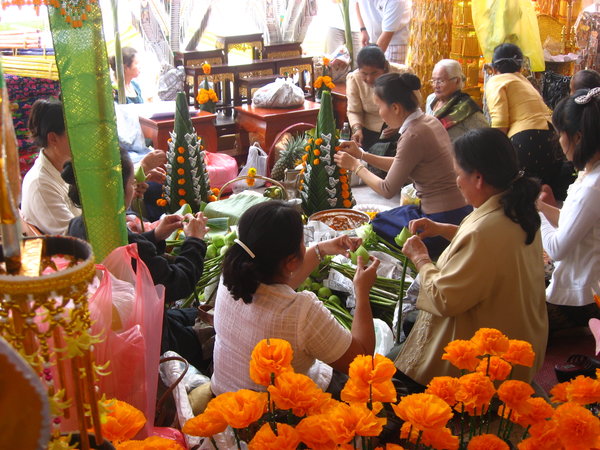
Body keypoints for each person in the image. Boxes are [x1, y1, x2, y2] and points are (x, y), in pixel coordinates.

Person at [396, 127, 548, 388]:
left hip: (489, 362)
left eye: (458, 174)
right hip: (525, 336)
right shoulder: (514, 207)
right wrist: (443, 229)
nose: (457, 181)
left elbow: (444, 299)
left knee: (393, 376)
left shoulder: (485, 230)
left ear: (478, 177)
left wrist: (421, 259)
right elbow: (491, 253)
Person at [211, 201, 380, 396]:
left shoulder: (233, 278)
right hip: (278, 414)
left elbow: (279, 287)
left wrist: (321, 249)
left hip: (226, 397)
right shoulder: (301, 311)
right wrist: (362, 293)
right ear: (291, 261)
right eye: (302, 242)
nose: (305, 245)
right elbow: (362, 360)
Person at [63, 148, 210, 368]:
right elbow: (179, 283)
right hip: (146, 341)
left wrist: (156, 235)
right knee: (213, 329)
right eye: (132, 182)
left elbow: (127, 259)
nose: (136, 188)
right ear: (116, 191)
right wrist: (195, 240)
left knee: (195, 315)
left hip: (113, 331)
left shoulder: (79, 226)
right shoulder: (125, 242)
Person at [335, 72, 471, 259]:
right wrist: (361, 154)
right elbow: (403, 163)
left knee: (376, 226)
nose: (379, 112)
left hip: (441, 218)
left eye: (379, 106)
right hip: (459, 211)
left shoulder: (413, 134)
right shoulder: (428, 121)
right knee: (387, 217)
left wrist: (356, 166)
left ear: (396, 108)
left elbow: (387, 189)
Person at [537, 87, 600, 332]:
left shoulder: (592, 187)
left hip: (583, 297)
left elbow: (557, 249)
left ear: (578, 137)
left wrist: (536, 213)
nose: (558, 141)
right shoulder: (591, 176)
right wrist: (539, 206)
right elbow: (576, 223)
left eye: (560, 134)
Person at [485, 43, 575, 201]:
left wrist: (494, 157)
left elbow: (500, 123)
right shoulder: (524, 82)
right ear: (520, 67)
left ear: (493, 68)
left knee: (516, 198)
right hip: (551, 139)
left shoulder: (496, 81)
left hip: (525, 140)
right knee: (540, 197)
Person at [21, 98, 81, 235]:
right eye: (74, 133)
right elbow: (75, 237)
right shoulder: (41, 186)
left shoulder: (65, 168)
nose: (81, 139)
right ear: (53, 138)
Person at [346, 45, 410, 151]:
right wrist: (357, 130)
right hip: (368, 133)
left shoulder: (402, 74)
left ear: (384, 67)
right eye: (364, 74)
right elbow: (354, 111)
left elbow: (414, 106)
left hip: (401, 130)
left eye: (374, 73)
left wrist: (400, 125)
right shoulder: (354, 78)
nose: (369, 79)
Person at [425, 59, 489, 142]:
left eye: (440, 81)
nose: (436, 85)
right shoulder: (431, 100)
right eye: (433, 81)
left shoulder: (466, 108)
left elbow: (486, 138)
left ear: (457, 80)